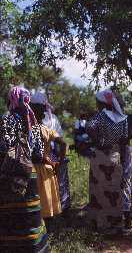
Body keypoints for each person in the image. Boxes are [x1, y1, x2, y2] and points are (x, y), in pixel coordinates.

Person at [0, 86, 49, 252]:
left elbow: (3, 149)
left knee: (10, 216)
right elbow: (38, 154)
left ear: (11, 101)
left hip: (10, 174)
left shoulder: (6, 119)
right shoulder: (33, 123)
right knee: (31, 214)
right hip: (30, 174)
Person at [85, 89, 129, 234]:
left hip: (100, 157)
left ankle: (100, 224)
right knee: (114, 191)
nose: (97, 105)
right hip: (115, 157)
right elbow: (124, 142)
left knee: (99, 191)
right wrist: (122, 161)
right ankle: (115, 224)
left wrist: (99, 141)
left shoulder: (100, 116)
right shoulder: (123, 119)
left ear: (102, 103)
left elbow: (89, 127)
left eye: (98, 103)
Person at [30, 95, 66, 224]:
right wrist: (59, 162)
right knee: (47, 204)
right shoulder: (47, 130)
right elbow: (63, 144)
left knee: (35, 204)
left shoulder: (28, 129)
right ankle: (48, 233)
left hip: (32, 170)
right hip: (47, 170)